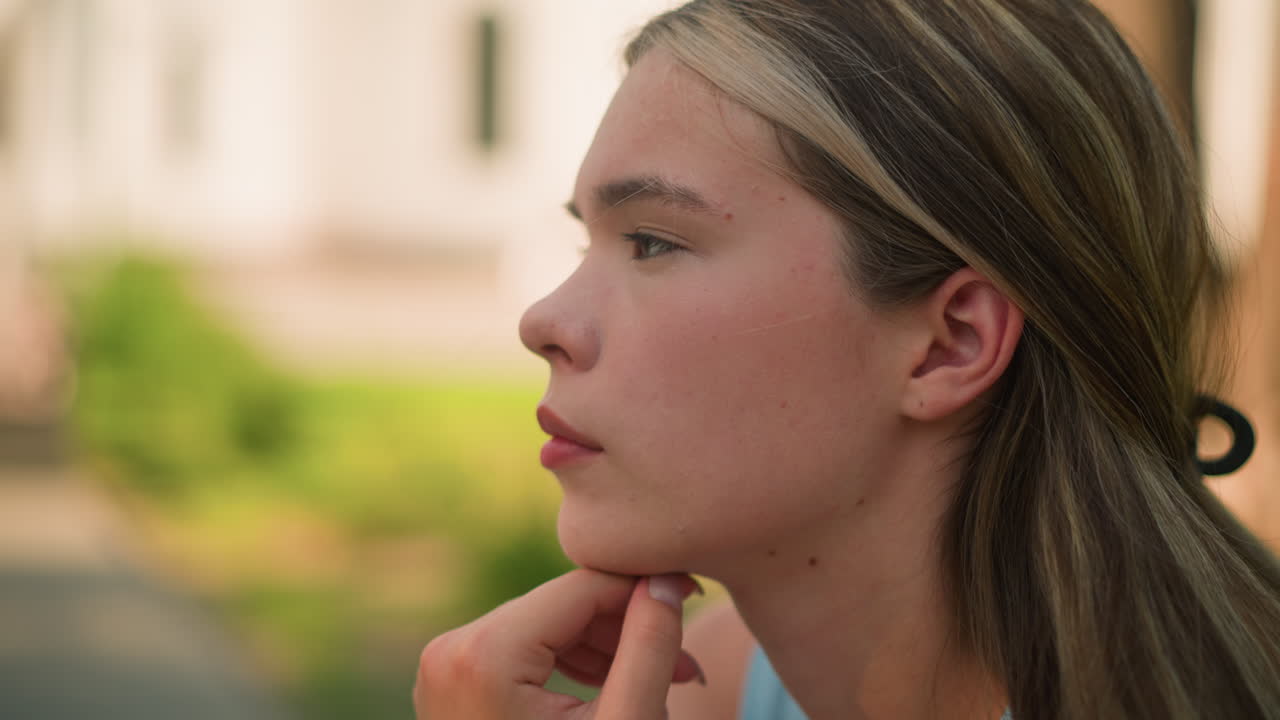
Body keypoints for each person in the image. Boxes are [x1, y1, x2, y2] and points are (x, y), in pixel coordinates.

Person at [414, 1, 1280, 718]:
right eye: (585, 240)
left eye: (649, 241)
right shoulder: (711, 689)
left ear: (952, 343)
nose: (543, 321)